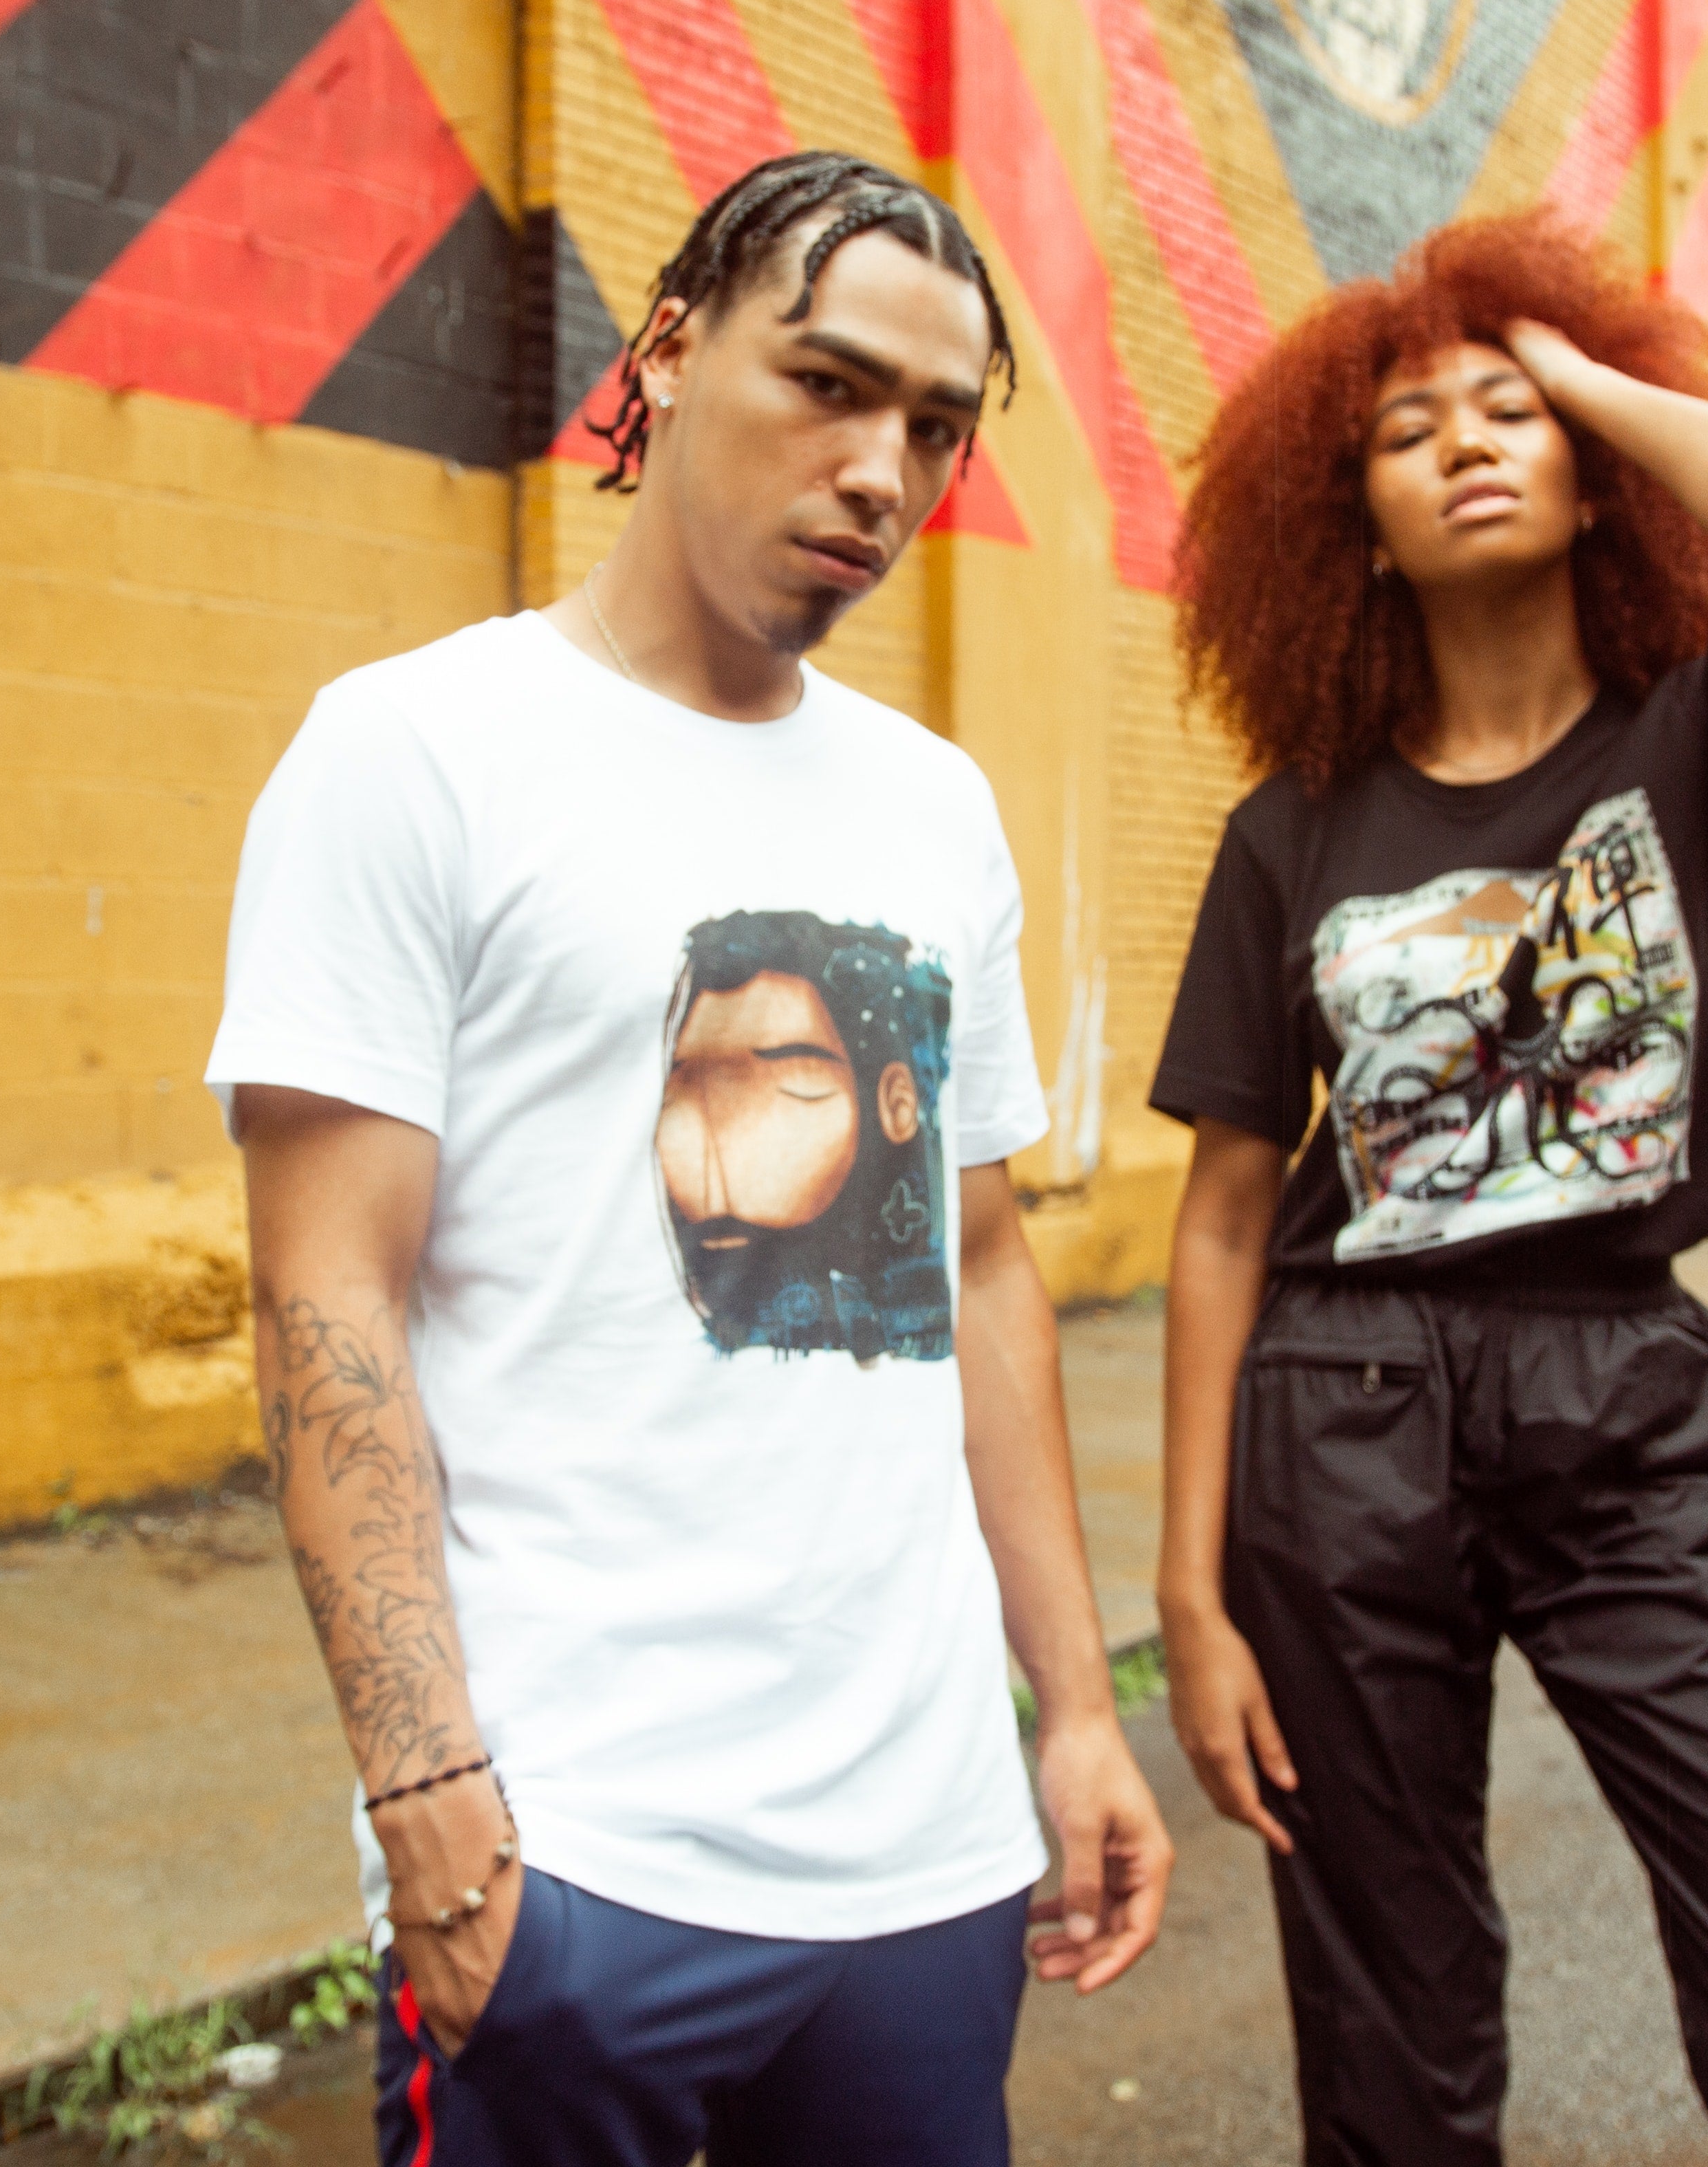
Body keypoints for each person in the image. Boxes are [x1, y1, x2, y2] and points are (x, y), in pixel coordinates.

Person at [208, 149, 1172, 2167]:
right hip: (583, 1852)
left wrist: (1072, 1709)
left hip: (923, 1861)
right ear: (667, 347)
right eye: (825, 385)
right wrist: (423, 1792)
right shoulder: (415, 754)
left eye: (931, 427)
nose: (880, 473)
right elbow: (326, 1294)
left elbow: (981, 1269)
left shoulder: (934, 808)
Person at [1146, 210, 1708, 2166]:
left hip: (1621, 1398)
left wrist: (1573, 379)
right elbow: (1218, 1212)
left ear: (1594, 467)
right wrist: (1189, 1596)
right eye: (1407, 428)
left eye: (1508, 412)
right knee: (1395, 2073)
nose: (1465, 440)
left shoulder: (1701, 746)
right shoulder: (1294, 831)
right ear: (1350, 518)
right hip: (1336, 1422)